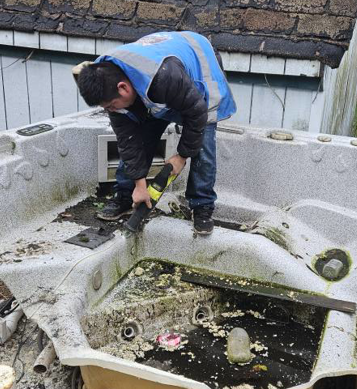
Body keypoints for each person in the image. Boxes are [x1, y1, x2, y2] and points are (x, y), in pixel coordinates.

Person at [74, 30, 236, 235]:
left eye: (112, 106)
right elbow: (128, 141)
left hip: (198, 66)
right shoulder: (103, 80)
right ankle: (126, 195)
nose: (111, 111)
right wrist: (140, 185)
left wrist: (182, 156)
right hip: (154, 83)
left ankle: (202, 205)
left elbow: (196, 113)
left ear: (123, 88)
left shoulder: (164, 77)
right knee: (138, 136)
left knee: (202, 146)